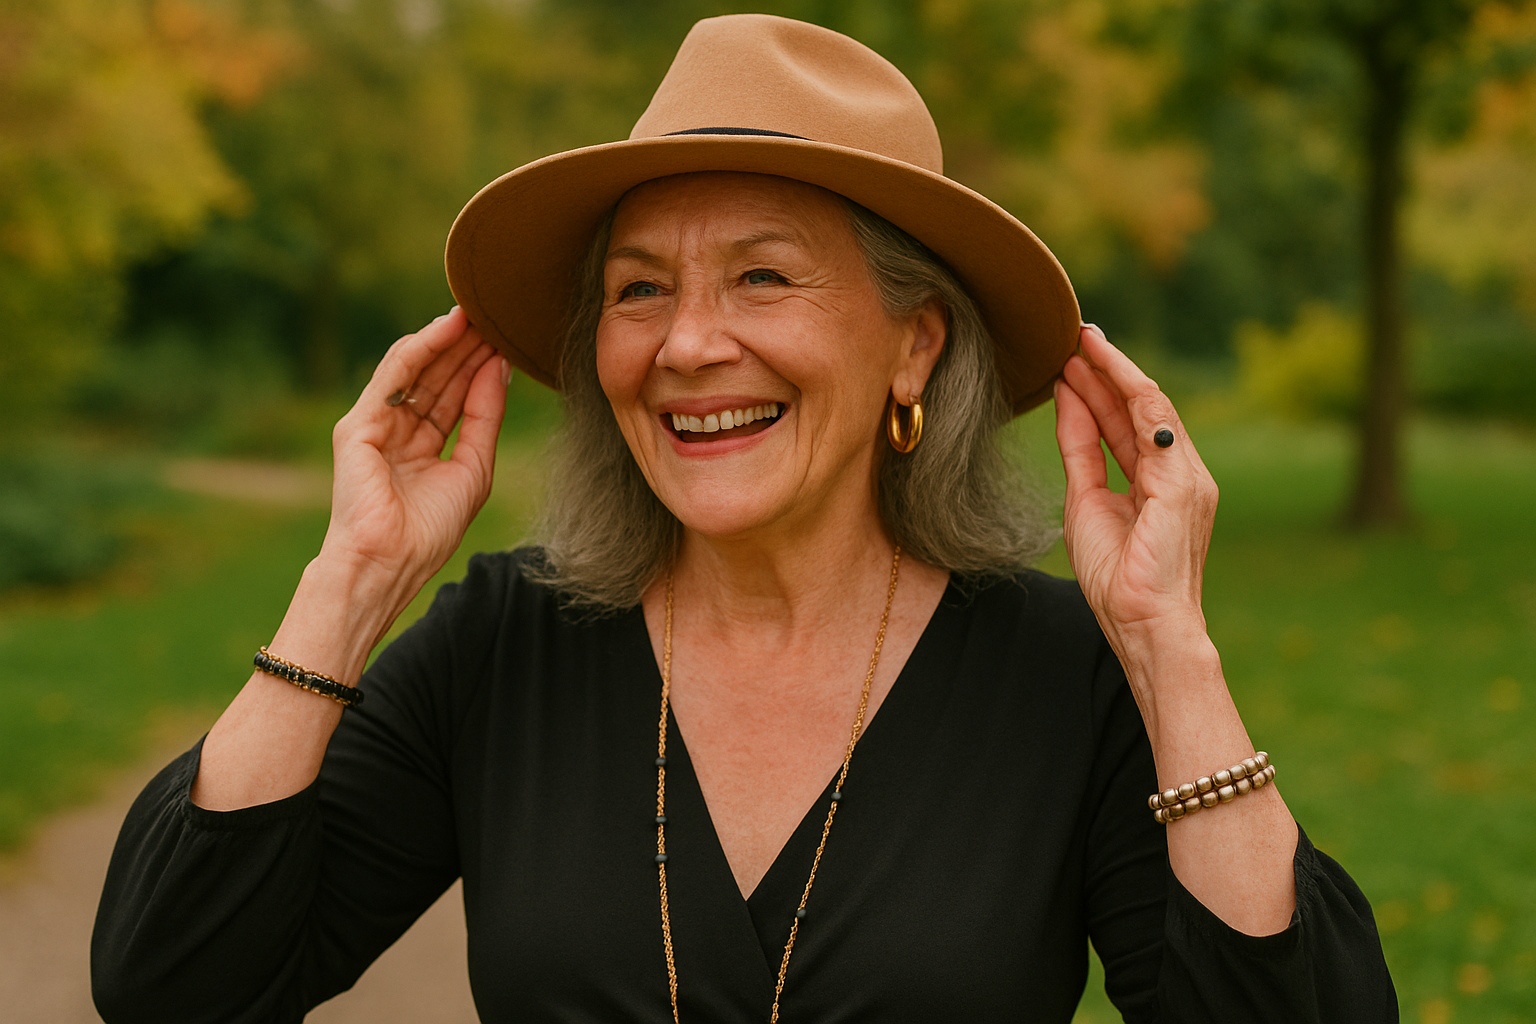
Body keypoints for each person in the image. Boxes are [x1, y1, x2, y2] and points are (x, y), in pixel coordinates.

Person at [92, 14, 1397, 1024]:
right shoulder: (509, 643)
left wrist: (1170, 648)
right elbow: (177, 986)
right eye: (640, 289)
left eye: (763, 276)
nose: (686, 344)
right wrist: (351, 580)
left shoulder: (1066, 678)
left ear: (915, 346)